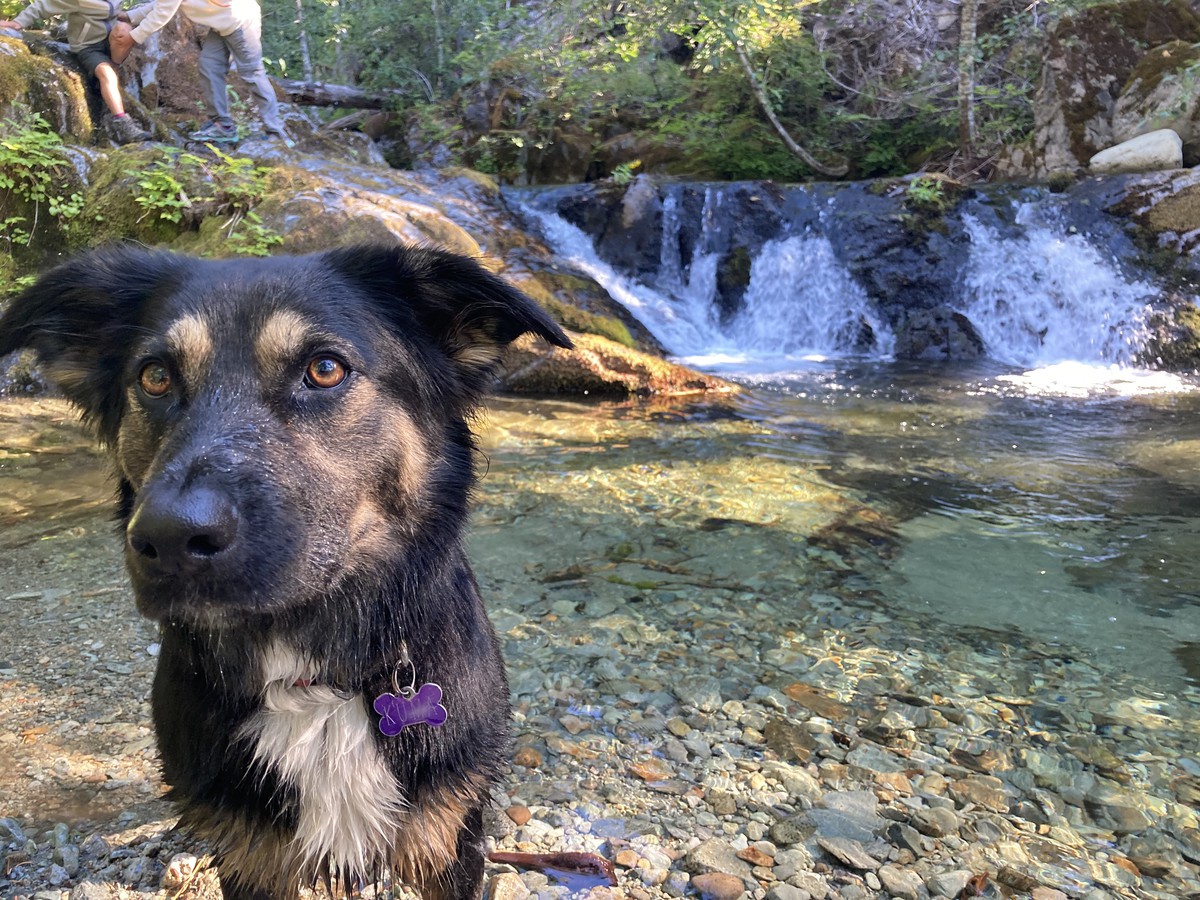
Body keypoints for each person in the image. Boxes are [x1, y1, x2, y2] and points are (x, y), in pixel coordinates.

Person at [110, 0, 291, 145]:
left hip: (240, 20)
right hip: (224, 22)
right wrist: (129, 16)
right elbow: (162, 4)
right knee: (209, 66)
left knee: (252, 73)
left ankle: (275, 131)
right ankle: (223, 125)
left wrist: (133, 37)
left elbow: (162, 13)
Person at [0, 0, 150, 144]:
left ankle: (112, 70)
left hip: (111, 41)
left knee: (125, 29)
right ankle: (121, 122)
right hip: (89, 47)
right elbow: (46, 4)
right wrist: (18, 23)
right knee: (108, 74)